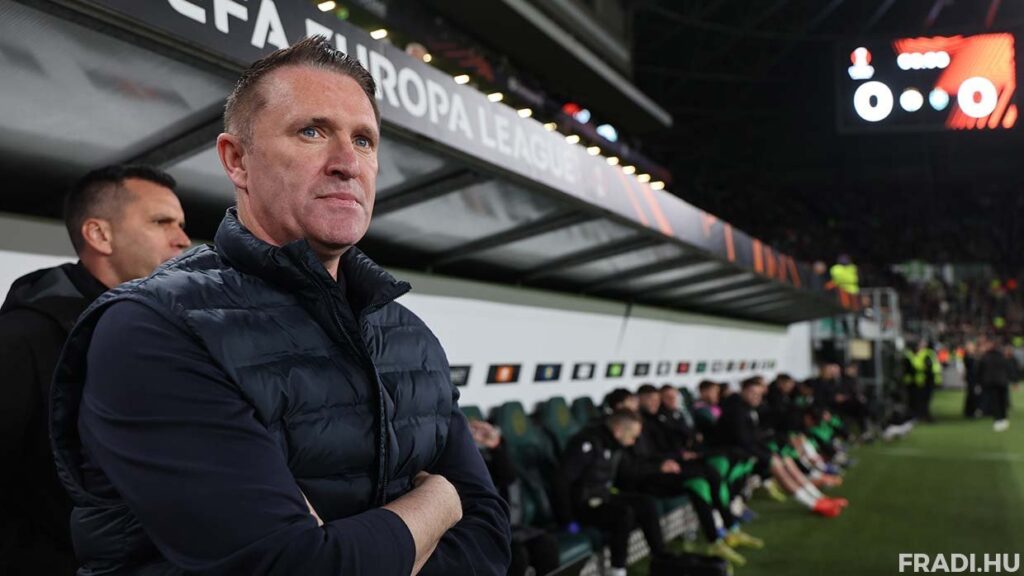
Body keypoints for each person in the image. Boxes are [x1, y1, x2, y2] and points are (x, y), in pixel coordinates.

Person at [49, 36, 510, 575]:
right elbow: (292, 566)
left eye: (364, 140)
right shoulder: (152, 328)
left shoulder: (408, 334)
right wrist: (439, 502)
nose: (347, 163)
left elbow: (489, 540)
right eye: (312, 131)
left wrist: (358, 548)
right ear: (237, 160)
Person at [0, 165, 189, 576]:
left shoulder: (165, 337)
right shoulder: (23, 338)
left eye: (180, 224)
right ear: (99, 235)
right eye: (161, 222)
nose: (183, 239)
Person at [561, 410, 668, 576]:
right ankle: (617, 570)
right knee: (623, 514)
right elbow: (562, 482)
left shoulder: (614, 446)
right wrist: (567, 519)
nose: (633, 442)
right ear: (618, 430)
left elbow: (627, 474)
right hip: (583, 505)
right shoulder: (587, 443)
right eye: (632, 436)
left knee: (645, 503)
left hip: (603, 496)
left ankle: (661, 559)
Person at [977, 335, 1015, 432]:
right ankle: (1003, 419)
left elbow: (980, 371)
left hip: (991, 383)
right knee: (1002, 401)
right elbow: (1009, 369)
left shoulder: (985, 357)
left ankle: (998, 420)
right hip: (1002, 382)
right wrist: (1013, 380)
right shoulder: (1002, 356)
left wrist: (979, 382)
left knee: (995, 402)